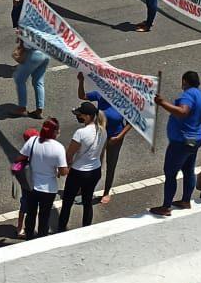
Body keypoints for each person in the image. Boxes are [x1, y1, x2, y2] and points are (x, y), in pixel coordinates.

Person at [149, 71, 201, 217]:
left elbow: (183, 111)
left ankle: (166, 207)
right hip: (195, 140)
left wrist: (162, 103)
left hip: (181, 142)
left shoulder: (188, 94)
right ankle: (185, 200)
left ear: (185, 81)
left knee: (170, 173)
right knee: (188, 170)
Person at [77, 73, 130, 205]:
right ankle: (86, 187)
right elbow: (82, 96)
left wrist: (119, 136)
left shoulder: (122, 101)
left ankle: (106, 192)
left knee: (111, 165)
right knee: (94, 162)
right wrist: (81, 81)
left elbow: (132, 122)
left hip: (114, 137)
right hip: (100, 135)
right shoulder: (100, 95)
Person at [56, 100, 106, 231]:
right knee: (87, 201)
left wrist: (66, 166)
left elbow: (69, 153)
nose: (78, 116)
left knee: (67, 202)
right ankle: (86, 229)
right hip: (95, 170)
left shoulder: (80, 133)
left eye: (80, 114)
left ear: (88, 116)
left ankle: (61, 229)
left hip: (78, 172)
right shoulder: (103, 131)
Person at [16, 118, 68, 239]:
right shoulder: (58, 148)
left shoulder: (33, 141)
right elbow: (63, 171)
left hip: (31, 186)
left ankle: (29, 236)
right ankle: (41, 238)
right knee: (44, 217)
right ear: (55, 132)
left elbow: (20, 158)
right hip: (48, 189)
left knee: (31, 214)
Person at [12, 35, 49, 119]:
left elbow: (23, 39)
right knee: (38, 81)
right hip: (46, 53)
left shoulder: (29, 23)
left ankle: (22, 108)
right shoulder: (47, 23)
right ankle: (39, 111)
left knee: (19, 80)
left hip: (34, 54)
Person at [14, 126, 40, 235]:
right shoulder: (36, 149)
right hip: (34, 181)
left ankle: (20, 227)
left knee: (24, 204)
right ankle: (29, 228)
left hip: (26, 181)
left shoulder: (25, 149)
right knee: (32, 205)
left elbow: (17, 160)